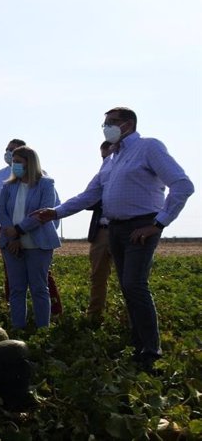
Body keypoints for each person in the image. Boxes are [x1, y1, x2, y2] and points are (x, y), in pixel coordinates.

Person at [33, 107, 194, 370]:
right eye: (104, 124)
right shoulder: (111, 159)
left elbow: (183, 185)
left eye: (111, 123)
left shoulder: (148, 147)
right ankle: (138, 344)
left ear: (128, 124)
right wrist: (56, 212)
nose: (106, 127)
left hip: (140, 227)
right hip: (115, 230)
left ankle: (151, 351)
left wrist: (158, 223)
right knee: (127, 286)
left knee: (135, 284)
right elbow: (90, 195)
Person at [0, 138, 62, 314]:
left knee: (39, 288)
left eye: (18, 162)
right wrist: (11, 235)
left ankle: (43, 330)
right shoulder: (7, 185)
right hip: (11, 241)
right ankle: (18, 327)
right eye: (13, 161)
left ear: (30, 163)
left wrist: (19, 231)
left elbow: (43, 213)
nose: (14, 165)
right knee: (16, 289)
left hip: (37, 242)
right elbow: (1, 212)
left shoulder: (46, 183)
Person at [84, 141, 114, 323]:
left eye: (108, 157)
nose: (106, 161)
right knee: (98, 276)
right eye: (103, 157)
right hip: (102, 230)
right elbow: (88, 199)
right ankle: (94, 316)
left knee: (131, 280)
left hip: (124, 230)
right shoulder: (101, 176)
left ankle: (133, 319)